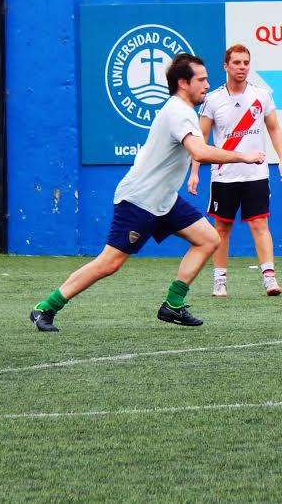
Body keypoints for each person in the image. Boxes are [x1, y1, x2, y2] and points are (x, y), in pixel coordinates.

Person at [29, 54, 265, 332]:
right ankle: (45, 308)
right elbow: (199, 152)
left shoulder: (184, 111)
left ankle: (173, 305)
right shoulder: (178, 111)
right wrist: (243, 157)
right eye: (200, 79)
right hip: (140, 200)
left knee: (208, 239)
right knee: (109, 263)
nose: (206, 84)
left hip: (164, 200)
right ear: (182, 82)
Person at [187, 44, 282, 297]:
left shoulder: (262, 95)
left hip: (256, 174)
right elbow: (201, 138)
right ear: (226, 65)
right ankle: (219, 282)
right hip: (224, 176)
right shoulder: (212, 100)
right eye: (236, 63)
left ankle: (269, 278)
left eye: (245, 63)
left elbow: (274, 128)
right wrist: (195, 172)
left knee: (259, 224)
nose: (242, 67)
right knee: (221, 228)